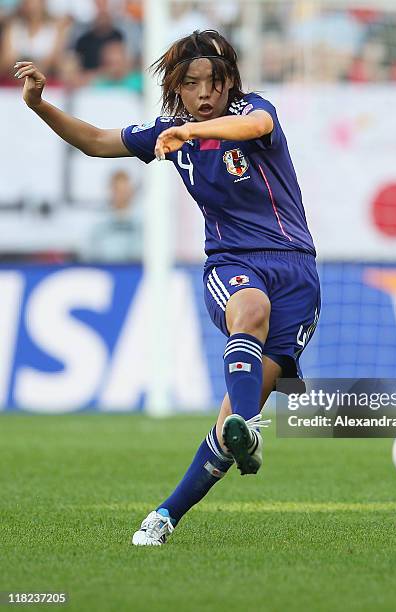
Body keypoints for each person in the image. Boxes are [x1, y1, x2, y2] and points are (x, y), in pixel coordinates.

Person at [14, 29, 320, 546]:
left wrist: (197, 135)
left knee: (228, 432)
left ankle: (164, 515)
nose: (206, 94)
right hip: (233, 263)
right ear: (175, 87)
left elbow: (257, 123)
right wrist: (40, 104)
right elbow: (94, 141)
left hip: (299, 276)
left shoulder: (252, 111)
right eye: (193, 84)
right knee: (249, 309)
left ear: (231, 84)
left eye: (216, 83)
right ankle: (250, 425)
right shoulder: (168, 131)